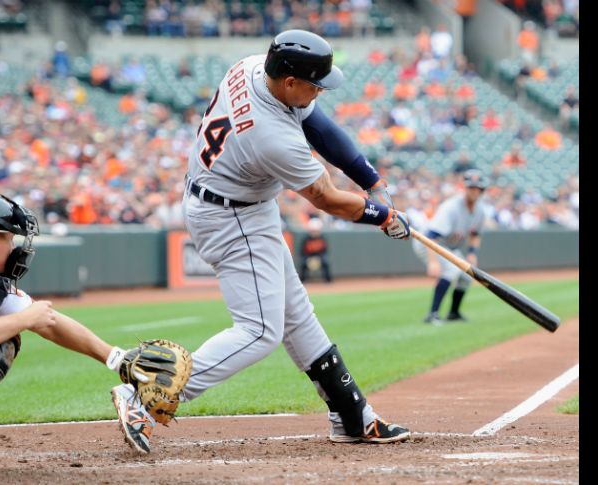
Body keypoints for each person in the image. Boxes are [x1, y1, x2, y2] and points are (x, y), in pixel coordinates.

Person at [111, 29, 412, 453]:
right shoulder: (271, 134)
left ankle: (351, 414)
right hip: (231, 215)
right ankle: (144, 396)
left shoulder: (256, 67)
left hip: (234, 200)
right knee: (260, 330)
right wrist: (383, 216)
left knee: (295, 313)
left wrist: (373, 183)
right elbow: (326, 197)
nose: (320, 93)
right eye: (315, 85)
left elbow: (321, 128)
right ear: (290, 83)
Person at [0, 193, 139, 480]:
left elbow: (50, 322)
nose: (14, 246)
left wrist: (118, 359)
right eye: (10, 238)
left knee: (3, 337)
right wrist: (23, 320)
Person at [413, 170, 490, 324]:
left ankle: (454, 313)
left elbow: (475, 234)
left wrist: (472, 253)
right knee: (451, 269)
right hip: (428, 243)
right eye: (471, 187)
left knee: (468, 275)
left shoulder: (480, 210)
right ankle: (432, 314)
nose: (474, 191)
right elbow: (431, 236)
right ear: (465, 188)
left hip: (448, 247)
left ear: (482, 191)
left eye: (477, 188)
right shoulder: (451, 207)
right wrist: (433, 261)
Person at [300, 218, 332, 283]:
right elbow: (302, 252)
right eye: (313, 231)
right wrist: (309, 259)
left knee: (325, 261)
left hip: (319, 257)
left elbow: (325, 251)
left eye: (316, 231)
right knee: (303, 263)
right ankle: (302, 280)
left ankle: (328, 280)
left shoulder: (322, 238)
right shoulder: (306, 239)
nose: (315, 233)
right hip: (308, 257)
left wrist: (318, 258)